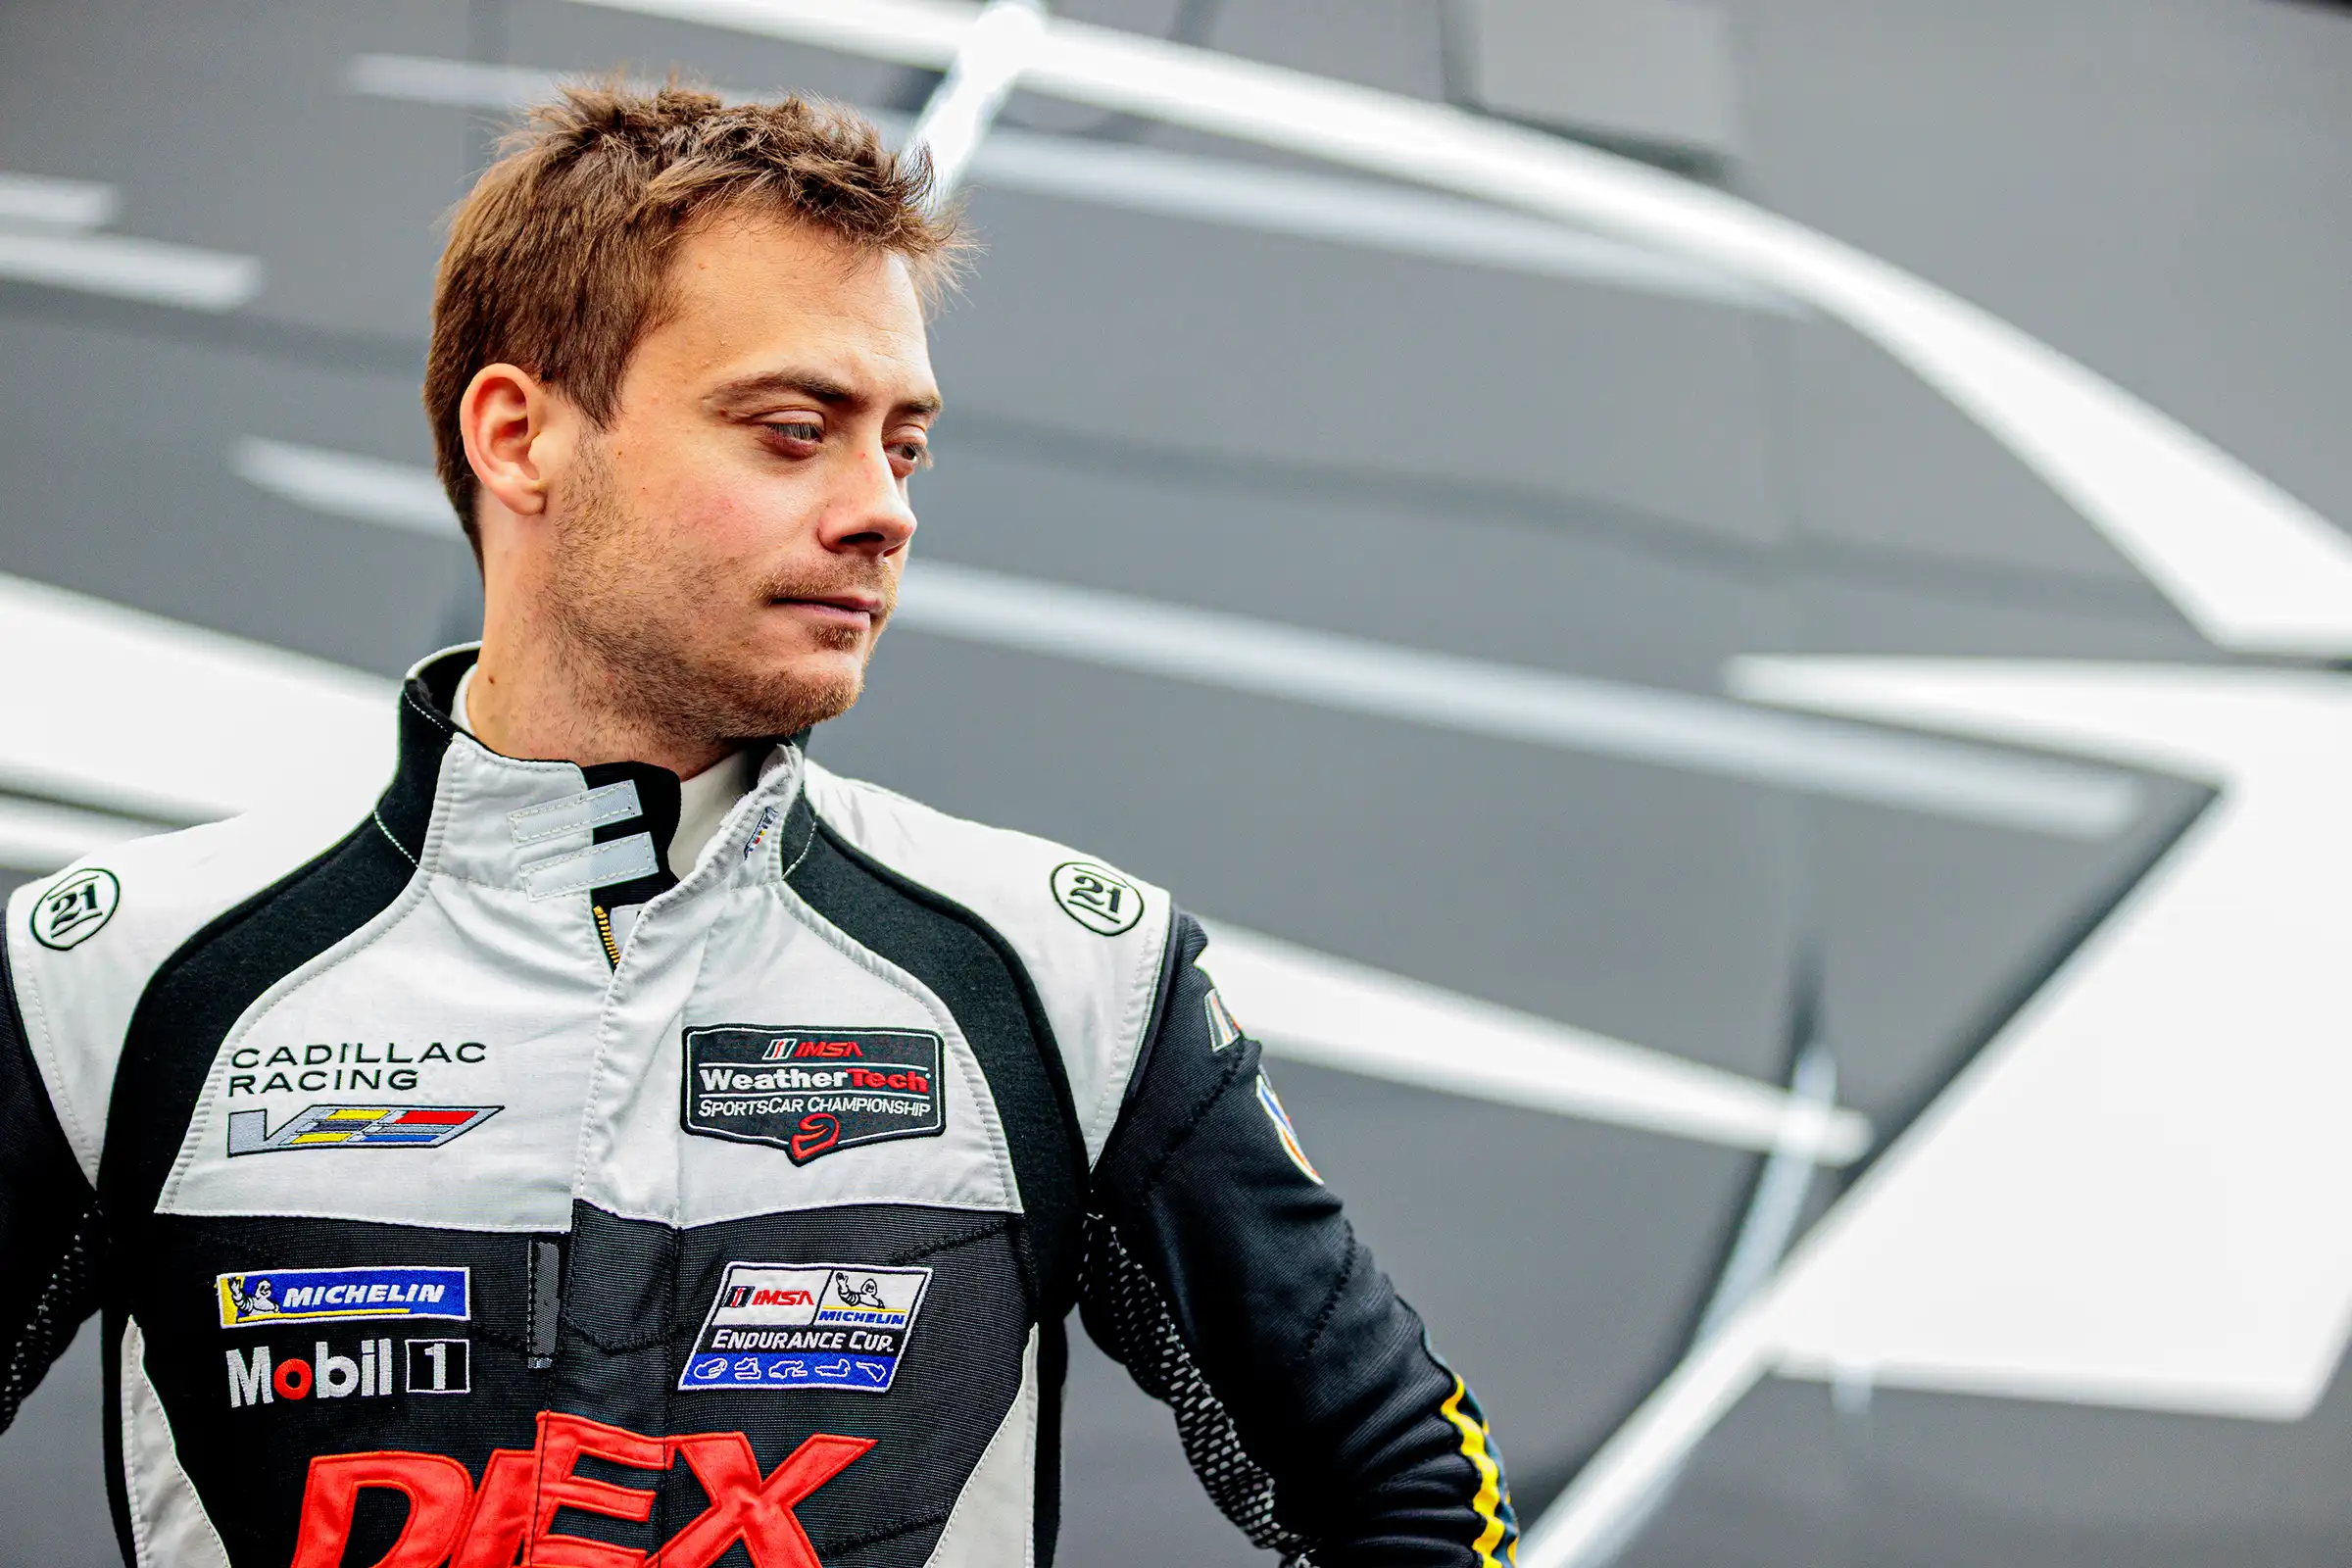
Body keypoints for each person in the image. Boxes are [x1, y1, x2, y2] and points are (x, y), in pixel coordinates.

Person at [0, 83, 1516, 1567]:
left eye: (901, 444)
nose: (884, 509)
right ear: (518, 435)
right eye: (796, 430)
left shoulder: (1063, 973)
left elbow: (1410, 1491)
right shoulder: (123, 973)